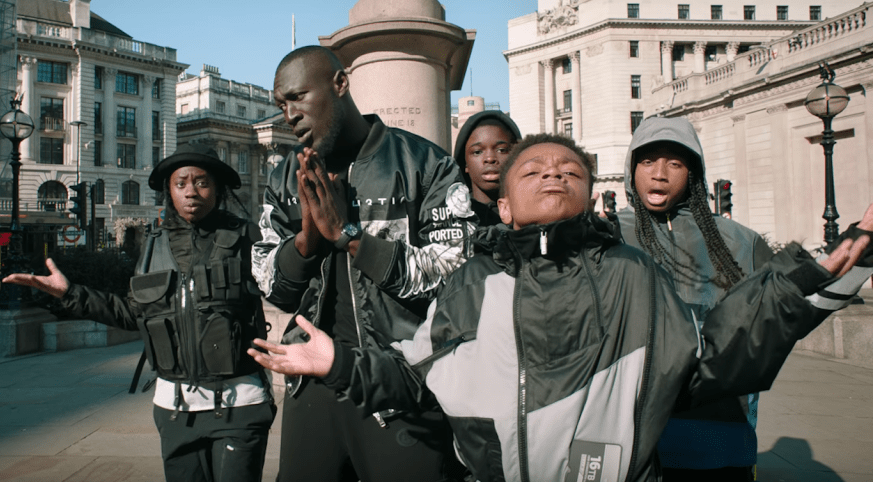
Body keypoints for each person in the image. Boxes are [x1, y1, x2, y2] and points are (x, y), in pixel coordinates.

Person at [248, 133, 872, 482]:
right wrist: (340, 363)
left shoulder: (632, 273)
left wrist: (800, 286)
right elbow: (417, 376)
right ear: (507, 206)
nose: (553, 174)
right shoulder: (470, 281)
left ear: (587, 193)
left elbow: (702, 360)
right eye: (535, 170)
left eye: (570, 170)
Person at [250, 45, 475, 482]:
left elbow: (456, 275)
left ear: (339, 84)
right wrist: (306, 244)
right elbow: (271, 286)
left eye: (298, 97)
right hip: (310, 379)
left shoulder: (423, 163)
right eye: (281, 104)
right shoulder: (283, 178)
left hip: (400, 381)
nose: (288, 115)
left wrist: (351, 239)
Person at [615, 116, 873, 481]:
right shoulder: (607, 237)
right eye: (647, 161)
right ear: (631, 168)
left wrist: (860, 248)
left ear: (693, 173)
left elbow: (789, 311)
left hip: (719, 439)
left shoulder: (740, 241)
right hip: (629, 443)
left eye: (675, 163)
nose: (659, 174)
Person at [4, 143, 274, 482]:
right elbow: (133, 313)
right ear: (169, 192)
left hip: (241, 405)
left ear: (218, 189)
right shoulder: (153, 244)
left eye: (202, 182)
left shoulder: (246, 236)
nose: (191, 191)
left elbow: (287, 285)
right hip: (176, 411)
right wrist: (70, 294)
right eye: (181, 183)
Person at [453, 110, 521, 227]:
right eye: (477, 152)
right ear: (465, 164)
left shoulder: (534, 212)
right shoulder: (450, 215)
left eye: (501, 150)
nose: (490, 158)